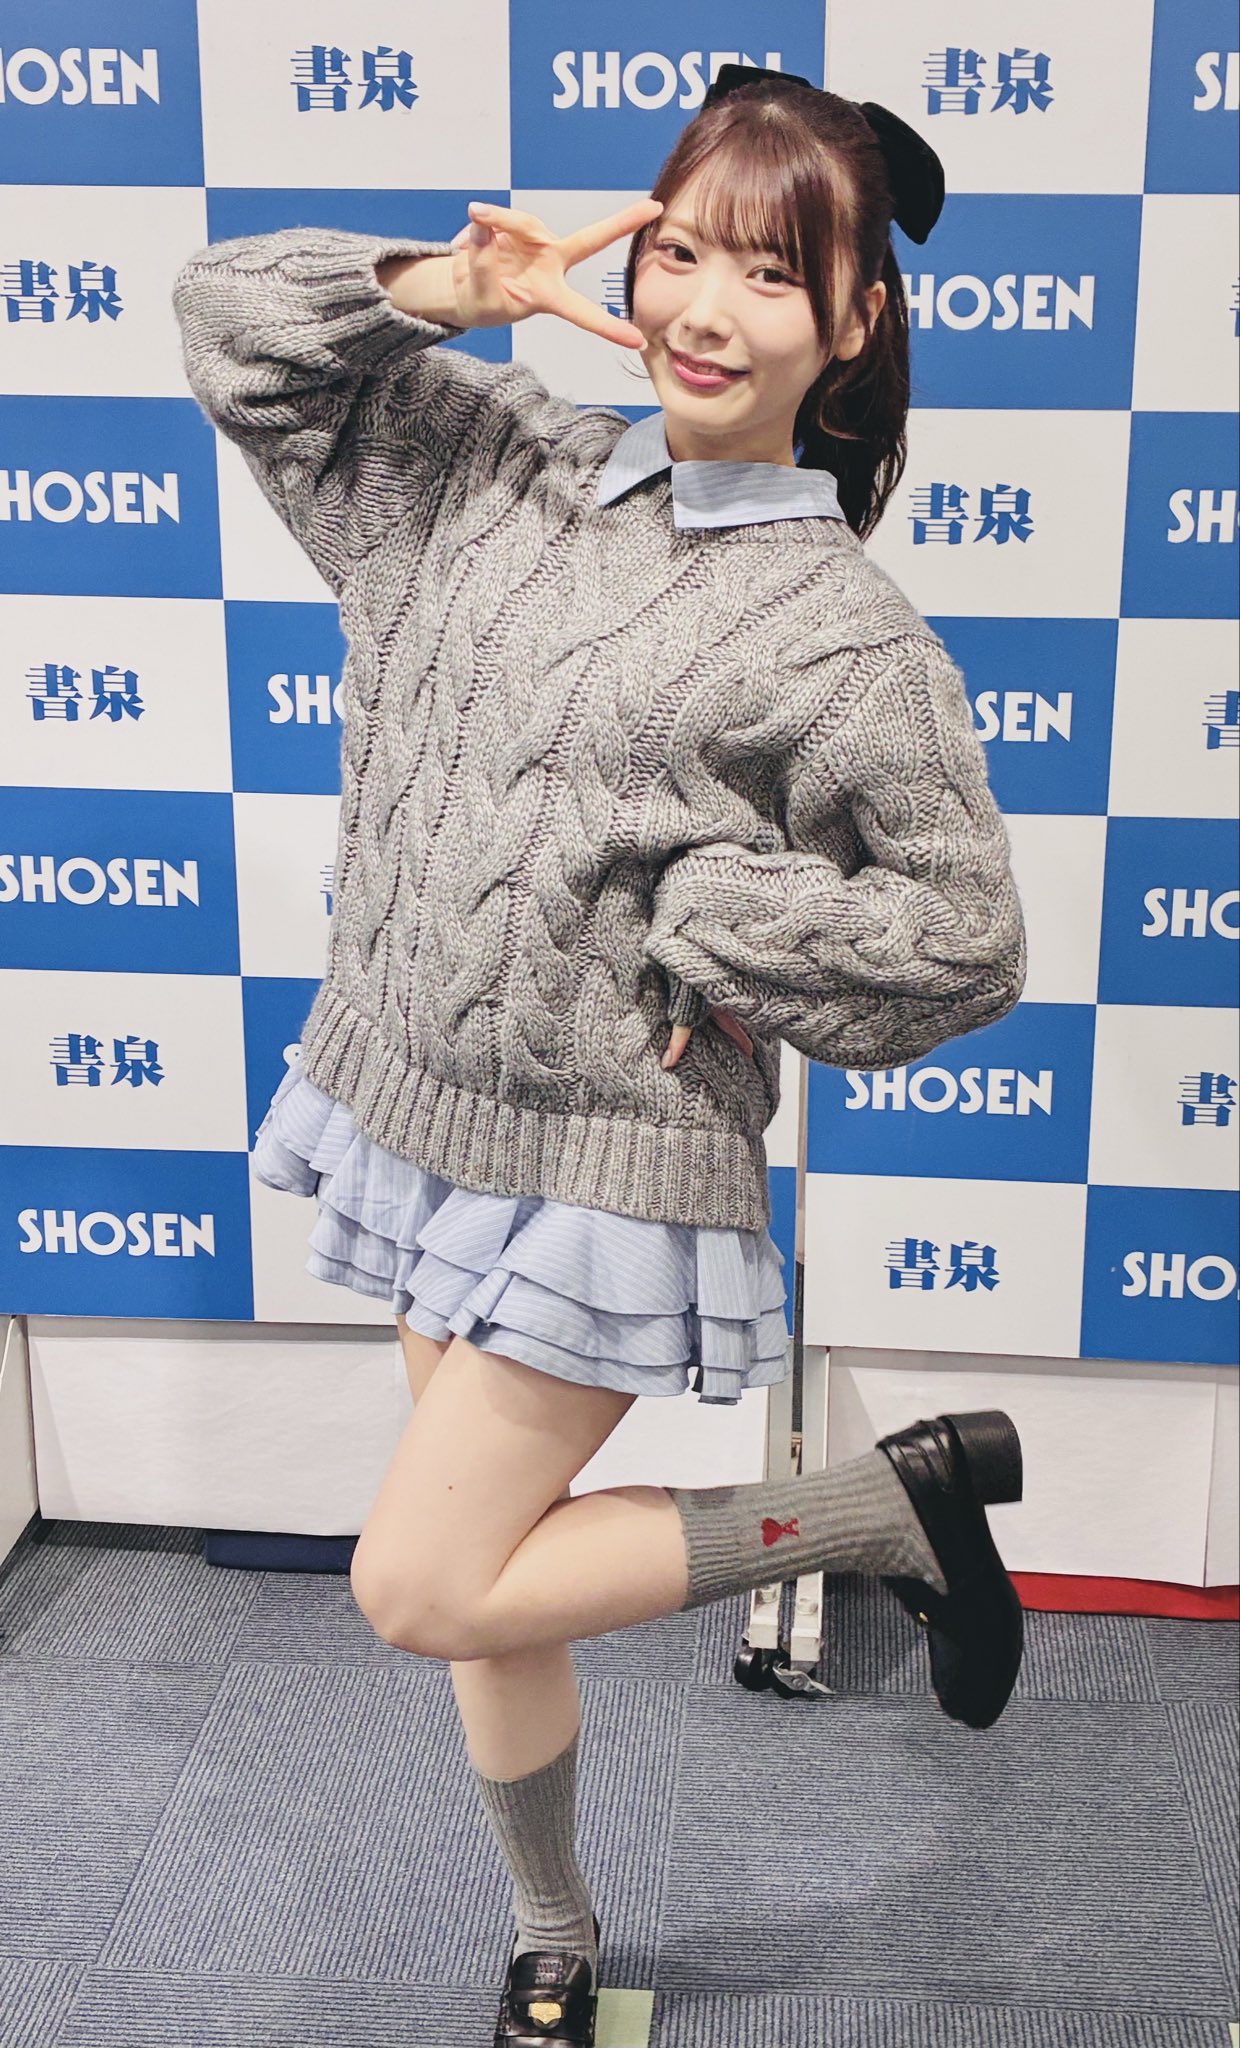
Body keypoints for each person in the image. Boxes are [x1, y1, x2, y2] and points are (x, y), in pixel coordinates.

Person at [173, 67, 1029, 2048]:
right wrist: (440, 291)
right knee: (490, 1584)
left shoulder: (837, 631)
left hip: (601, 1158)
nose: (704, 309)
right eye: (682, 250)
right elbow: (225, 318)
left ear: (852, 323)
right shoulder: (492, 455)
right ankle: (550, 1929)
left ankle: (871, 1517)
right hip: (414, 1099)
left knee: (421, 1581)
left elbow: (960, 939)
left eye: (771, 274)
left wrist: (713, 916)